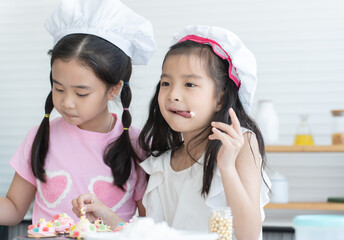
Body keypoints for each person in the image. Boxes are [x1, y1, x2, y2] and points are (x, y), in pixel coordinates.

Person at [73, 25, 271, 240]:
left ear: (220, 98)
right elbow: (150, 236)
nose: (173, 94)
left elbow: (249, 235)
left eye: (190, 84)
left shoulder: (241, 144)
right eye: (166, 83)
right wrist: (105, 214)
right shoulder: (161, 164)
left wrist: (226, 167)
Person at [0, 0, 156, 230]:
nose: (66, 102)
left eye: (81, 93)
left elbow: (147, 227)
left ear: (113, 89)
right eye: (58, 88)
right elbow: (13, 208)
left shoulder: (138, 145)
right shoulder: (41, 137)